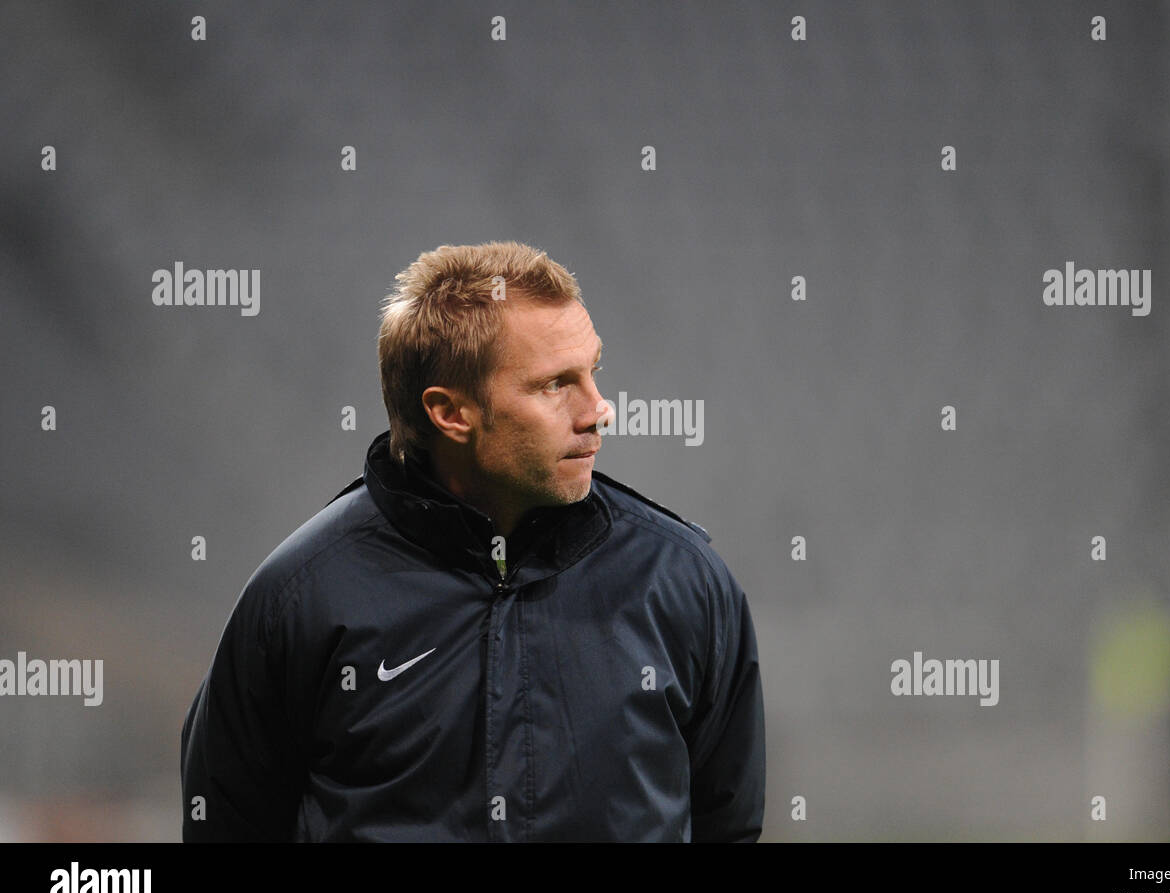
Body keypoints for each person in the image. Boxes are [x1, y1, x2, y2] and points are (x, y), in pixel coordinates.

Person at [180, 241, 765, 842]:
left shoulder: (686, 581)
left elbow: (729, 824)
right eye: (554, 384)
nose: (600, 410)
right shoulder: (298, 598)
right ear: (450, 413)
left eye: (593, 371)